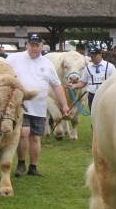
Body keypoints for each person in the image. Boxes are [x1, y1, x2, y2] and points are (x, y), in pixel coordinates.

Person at [6, 33, 70, 177]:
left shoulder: (47, 64)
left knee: (35, 137)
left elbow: (57, 86)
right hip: (21, 104)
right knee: (23, 133)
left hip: (40, 106)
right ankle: (21, 164)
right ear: (27, 45)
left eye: (37, 45)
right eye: (32, 45)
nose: (34, 48)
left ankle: (33, 167)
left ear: (41, 46)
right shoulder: (13, 59)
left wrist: (64, 105)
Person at [69, 44, 116, 110]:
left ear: (100, 54)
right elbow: (83, 83)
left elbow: (115, 82)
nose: (92, 57)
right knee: (94, 117)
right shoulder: (88, 68)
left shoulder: (110, 67)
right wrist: (74, 86)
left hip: (106, 96)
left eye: (94, 55)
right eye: (91, 55)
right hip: (92, 96)